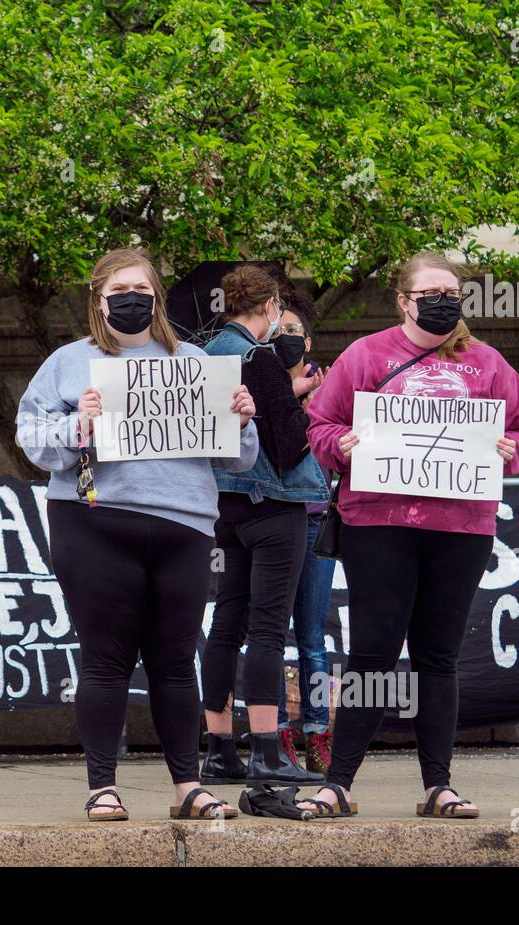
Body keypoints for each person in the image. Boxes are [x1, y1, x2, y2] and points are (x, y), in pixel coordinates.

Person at [16, 248, 259, 822]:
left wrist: (243, 423)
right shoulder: (68, 363)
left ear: (158, 300)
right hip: (95, 523)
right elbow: (32, 438)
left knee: (176, 659)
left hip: (183, 526)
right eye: (120, 292)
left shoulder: (196, 362)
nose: (133, 301)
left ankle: (187, 788)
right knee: (106, 659)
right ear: (99, 301)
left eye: (144, 292)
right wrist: (81, 426)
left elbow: (238, 461)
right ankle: (102, 785)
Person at [297, 251, 519, 819]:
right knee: (372, 655)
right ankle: (338, 784)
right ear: (403, 300)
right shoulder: (367, 354)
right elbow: (321, 424)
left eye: (452, 293)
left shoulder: (489, 364)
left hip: (462, 529)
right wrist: (341, 446)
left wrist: (511, 451)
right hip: (379, 525)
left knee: (438, 657)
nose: (443, 302)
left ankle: (438, 785)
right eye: (431, 293)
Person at [199, 266, 324, 787]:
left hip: (225, 508)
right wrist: (301, 399)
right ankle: (269, 751)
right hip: (274, 505)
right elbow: (289, 442)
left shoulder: (203, 357)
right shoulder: (261, 358)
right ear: (271, 306)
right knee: (269, 628)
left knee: (226, 624)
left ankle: (219, 747)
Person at [267, 287, 337, 774]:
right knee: (269, 634)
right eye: (279, 331)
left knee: (313, 636)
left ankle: (318, 732)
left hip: (315, 522)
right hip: (273, 521)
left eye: (295, 331)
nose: (287, 338)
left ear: (308, 342)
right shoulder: (262, 385)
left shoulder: (330, 388)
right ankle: (277, 735)